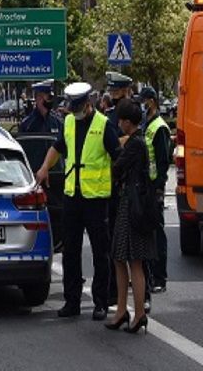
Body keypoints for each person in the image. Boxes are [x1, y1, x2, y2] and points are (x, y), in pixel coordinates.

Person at [35, 81, 121, 320]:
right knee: (70, 251)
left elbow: (117, 156)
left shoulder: (104, 125)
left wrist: (116, 182)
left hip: (96, 198)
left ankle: (101, 302)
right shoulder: (69, 122)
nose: (73, 110)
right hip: (72, 196)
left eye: (77, 106)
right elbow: (57, 147)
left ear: (88, 103)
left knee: (99, 252)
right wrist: (43, 169)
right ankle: (71, 301)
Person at [106, 98, 156, 334]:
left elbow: (117, 168)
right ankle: (127, 311)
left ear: (127, 122)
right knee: (124, 258)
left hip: (131, 206)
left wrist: (117, 149)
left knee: (130, 259)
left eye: (121, 121)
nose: (119, 124)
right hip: (135, 205)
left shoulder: (134, 144)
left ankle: (134, 312)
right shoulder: (139, 141)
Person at [140, 86, 171, 293]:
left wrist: (159, 188)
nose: (142, 105)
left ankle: (160, 277)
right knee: (147, 234)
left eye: (144, 101)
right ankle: (150, 276)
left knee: (157, 234)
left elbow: (162, 161)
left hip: (154, 188)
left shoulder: (159, 127)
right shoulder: (147, 124)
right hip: (145, 186)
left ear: (152, 101)